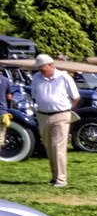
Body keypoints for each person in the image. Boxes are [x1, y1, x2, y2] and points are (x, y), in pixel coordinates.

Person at [27, 54, 79, 187]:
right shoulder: (36, 78)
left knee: (58, 147)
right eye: (38, 67)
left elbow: (75, 97)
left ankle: (61, 179)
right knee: (49, 147)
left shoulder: (64, 77)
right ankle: (54, 176)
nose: (40, 70)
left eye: (42, 67)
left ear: (50, 65)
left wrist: (67, 110)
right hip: (43, 115)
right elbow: (35, 96)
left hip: (61, 115)